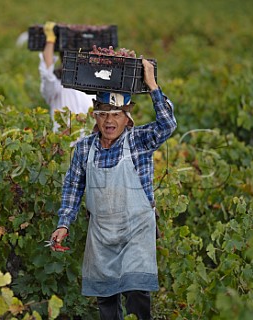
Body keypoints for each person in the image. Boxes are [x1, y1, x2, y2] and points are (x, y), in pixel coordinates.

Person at [49, 59, 177, 320]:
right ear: (95, 117)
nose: (109, 121)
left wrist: (152, 85)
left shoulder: (140, 140)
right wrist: (64, 223)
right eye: (103, 114)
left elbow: (167, 125)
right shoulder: (85, 148)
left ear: (126, 118)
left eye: (116, 115)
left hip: (136, 229)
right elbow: (73, 186)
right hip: (102, 232)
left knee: (136, 291)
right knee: (106, 297)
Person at [39, 21, 95, 132]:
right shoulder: (56, 88)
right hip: (64, 147)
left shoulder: (93, 87)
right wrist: (50, 41)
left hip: (89, 147)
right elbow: (47, 73)